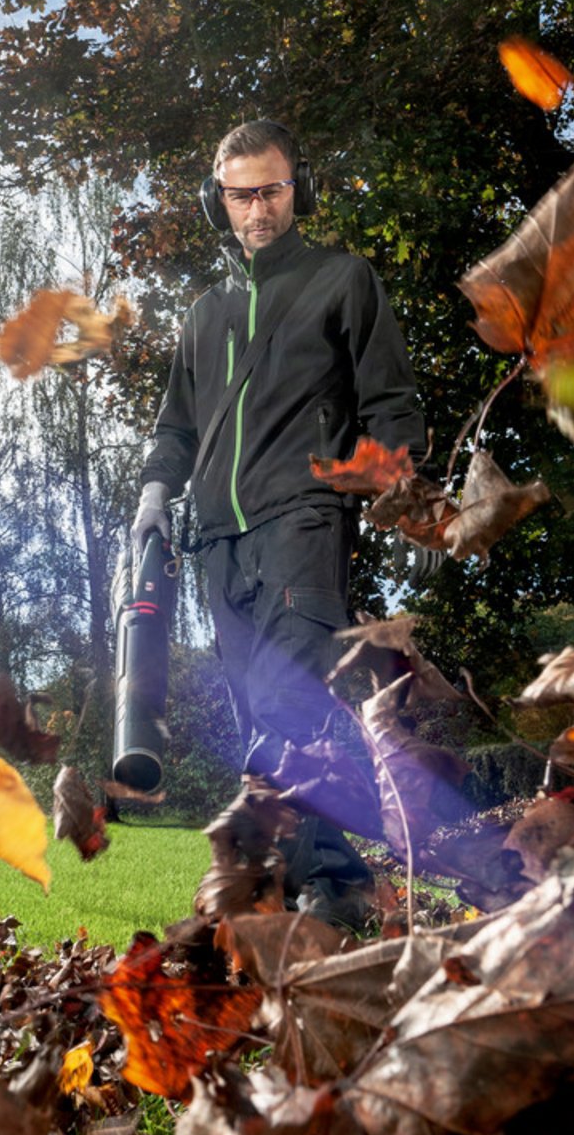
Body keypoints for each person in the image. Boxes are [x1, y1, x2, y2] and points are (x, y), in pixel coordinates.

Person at [131, 119, 428, 929]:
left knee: (288, 700)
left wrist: (397, 488)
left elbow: (391, 402)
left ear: (300, 189)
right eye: (241, 194)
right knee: (256, 721)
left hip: (303, 519)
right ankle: (297, 888)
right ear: (217, 201)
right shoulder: (203, 313)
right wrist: (157, 494)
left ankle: (335, 893)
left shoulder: (341, 280)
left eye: (273, 189)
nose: (258, 208)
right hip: (216, 543)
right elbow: (175, 428)